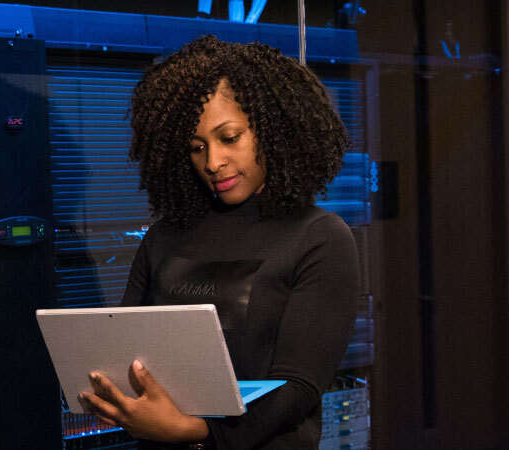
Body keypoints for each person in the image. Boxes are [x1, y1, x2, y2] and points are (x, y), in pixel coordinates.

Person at [76, 36, 360, 449]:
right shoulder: (163, 238)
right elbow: (127, 356)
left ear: (273, 129)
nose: (212, 162)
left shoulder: (319, 238)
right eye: (196, 147)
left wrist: (199, 433)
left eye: (230, 138)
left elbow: (298, 388)